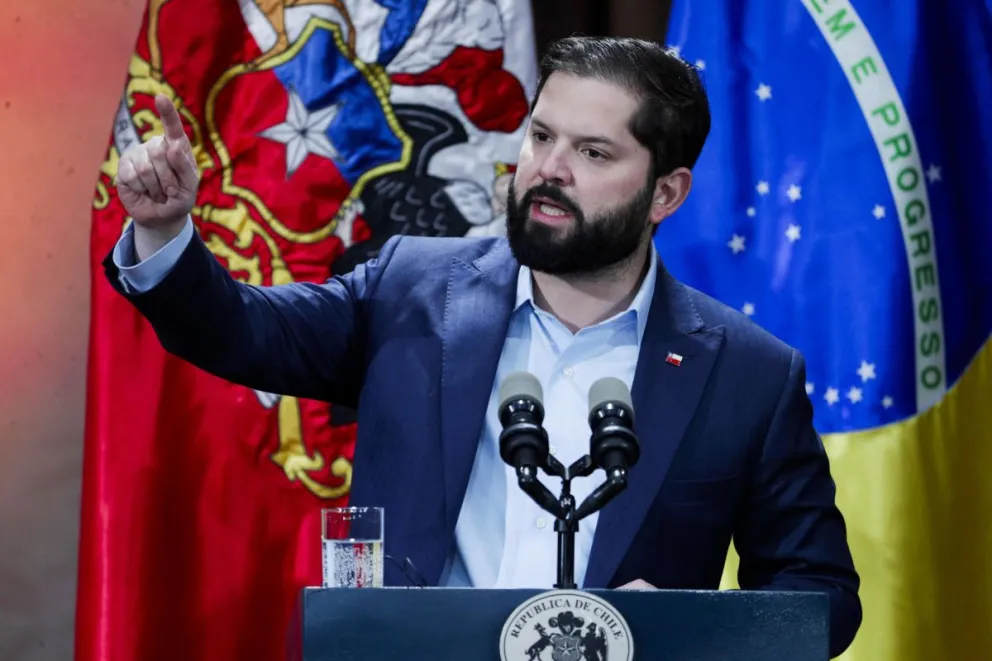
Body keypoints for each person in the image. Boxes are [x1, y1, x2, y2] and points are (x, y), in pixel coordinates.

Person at [105, 36, 861, 656]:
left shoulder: (748, 373)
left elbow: (820, 592)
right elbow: (241, 330)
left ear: (666, 192)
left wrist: (685, 630)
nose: (549, 169)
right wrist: (166, 233)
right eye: (541, 136)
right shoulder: (411, 290)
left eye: (594, 153)